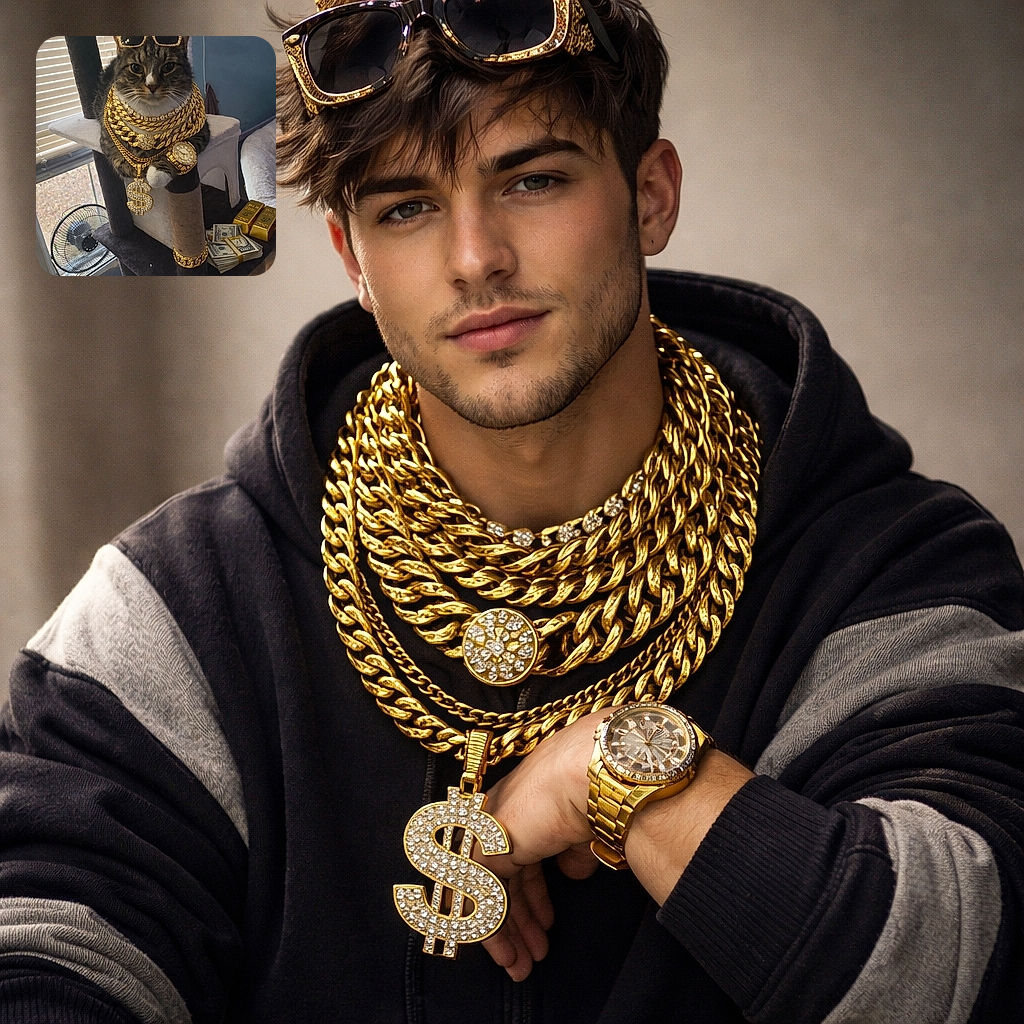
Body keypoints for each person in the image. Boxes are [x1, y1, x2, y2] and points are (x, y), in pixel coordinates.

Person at [3, 1, 1023, 1020]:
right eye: (405, 207)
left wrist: (623, 774)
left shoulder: (888, 565)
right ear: (352, 258)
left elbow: (952, 964)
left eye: (531, 180)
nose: (475, 257)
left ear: (650, 194)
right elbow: (43, 958)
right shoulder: (171, 608)